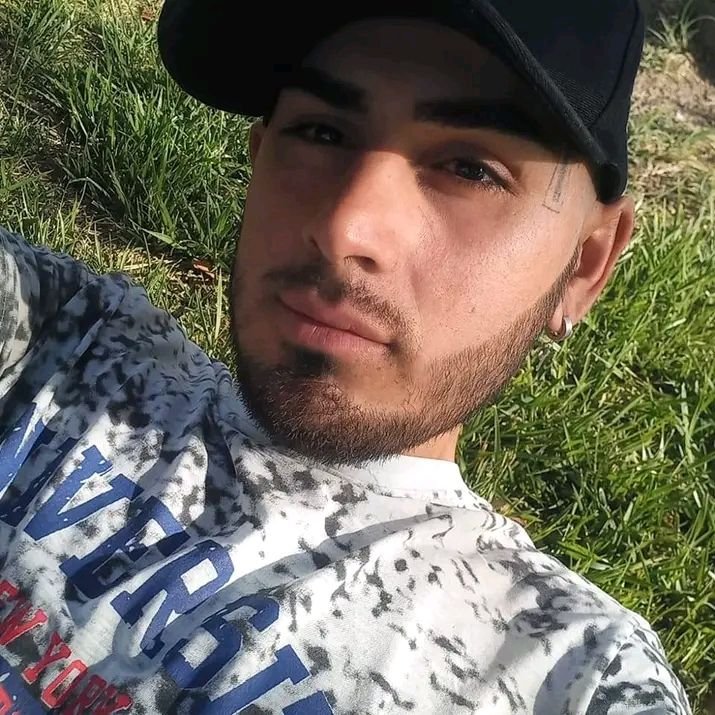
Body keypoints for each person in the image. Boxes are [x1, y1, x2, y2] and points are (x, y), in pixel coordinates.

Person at [0, 0, 693, 712]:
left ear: (585, 264)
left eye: (470, 169)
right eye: (321, 132)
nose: (344, 227)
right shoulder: (59, 340)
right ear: (258, 155)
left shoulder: (568, 674)